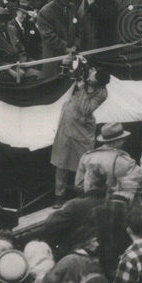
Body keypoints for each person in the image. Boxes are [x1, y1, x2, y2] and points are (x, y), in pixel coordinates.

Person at [50, 63, 110, 204]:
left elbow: (86, 109)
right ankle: (59, 194)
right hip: (68, 121)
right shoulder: (87, 73)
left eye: (92, 80)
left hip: (83, 127)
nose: (89, 79)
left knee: (86, 160)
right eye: (90, 75)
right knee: (61, 161)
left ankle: (86, 191)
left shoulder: (102, 93)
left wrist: (82, 88)